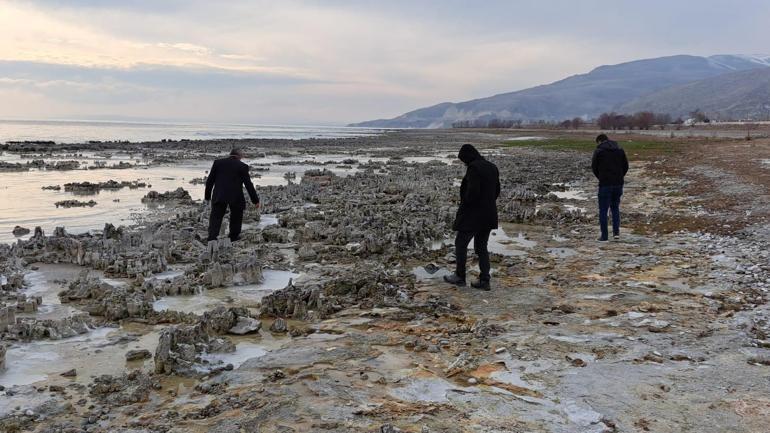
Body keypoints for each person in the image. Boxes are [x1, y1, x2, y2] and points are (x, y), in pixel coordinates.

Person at [444, 144, 500, 291]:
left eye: (464, 160)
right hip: (489, 214)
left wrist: (466, 203)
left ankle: (460, 277)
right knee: (481, 247)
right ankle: (485, 280)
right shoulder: (492, 167)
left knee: (461, 243)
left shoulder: (474, 168)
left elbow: (472, 193)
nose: (465, 163)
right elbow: (497, 191)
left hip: (473, 215)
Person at [204, 148, 260, 242]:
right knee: (236, 217)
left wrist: (207, 196)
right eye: (242, 156)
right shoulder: (242, 166)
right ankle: (233, 237)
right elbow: (248, 185)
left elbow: (210, 181)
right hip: (235, 196)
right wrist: (255, 200)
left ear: (230, 154)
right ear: (239, 156)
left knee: (216, 217)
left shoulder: (218, 163)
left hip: (219, 194)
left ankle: (212, 238)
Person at [591, 134, 629, 241]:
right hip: (618, 184)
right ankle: (616, 233)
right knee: (615, 208)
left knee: (603, 210)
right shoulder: (619, 149)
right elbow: (626, 166)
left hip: (605, 184)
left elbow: (594, 168)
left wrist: (601, 177)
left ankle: (604, 236)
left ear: (599, 141)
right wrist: (619, 177)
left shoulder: (599, 151)